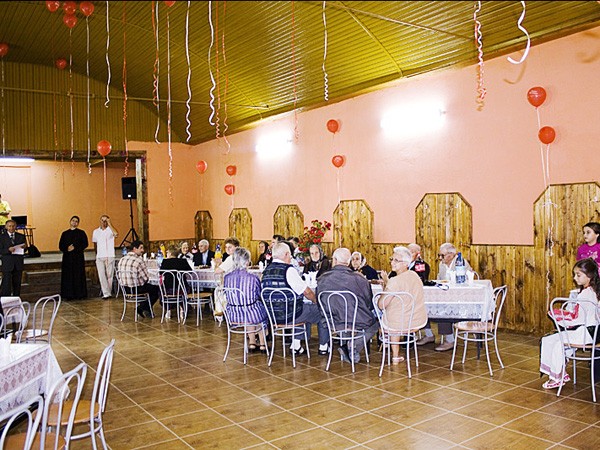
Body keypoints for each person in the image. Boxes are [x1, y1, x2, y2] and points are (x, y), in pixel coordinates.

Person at [540, 258, 600, 389]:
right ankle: (559, 372)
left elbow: (578, 320)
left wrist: (560, 318)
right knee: (549, 340)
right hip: (593, 331)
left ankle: (556, 377)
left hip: (587, 333)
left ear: (589, 276)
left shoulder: (585, 294)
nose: (575, 278)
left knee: (556, 342)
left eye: (578, 275)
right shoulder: (593, 290)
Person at [261, 242, 329, 355]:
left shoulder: (266, 271)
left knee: (301, 308)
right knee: (322, 310)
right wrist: (316, 301)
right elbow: (307, 292)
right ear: (286, 254)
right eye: (290, 255)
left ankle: (296, 345)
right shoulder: (288, 270)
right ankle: (323, 346)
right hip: (290, 315)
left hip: (272, 315)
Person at [317, 248, 379, 363]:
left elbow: (319, 301)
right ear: (349, 261)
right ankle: (352, 346)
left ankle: (349, 348)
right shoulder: (359, 279)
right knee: (375, 323)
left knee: (345, 318)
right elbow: (368, 303)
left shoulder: (322, 279)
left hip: (331, 320)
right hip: (354, 319)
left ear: (334, 260)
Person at [416, 242, 472, 351]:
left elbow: (465, 283)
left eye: (442, 255)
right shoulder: (442, 265)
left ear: (451, 255)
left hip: (460, 298)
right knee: (422, 304)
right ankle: (429, 334)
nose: (440, 258)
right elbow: (439, 280)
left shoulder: (461, 263)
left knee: (443, 308)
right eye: (439, 255)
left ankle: (450, 340)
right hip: (444, 294)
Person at [377, 246, 428, 364]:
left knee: (391, 317)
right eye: (392, 259)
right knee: (396, 313)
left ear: (406, 263)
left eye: (396, 260)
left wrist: (386, 285)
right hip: (416, 320)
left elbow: (381, 305)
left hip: (397, 324)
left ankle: (395, 355)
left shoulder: (395, 281)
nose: (392, 263)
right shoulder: (415, 276)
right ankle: (395, 356)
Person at [224, 247, 269, 352]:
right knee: (259, 310)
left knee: (250, 310)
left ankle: (252, 342)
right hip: (251, 312)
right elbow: (259, 294)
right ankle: (262, 344)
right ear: (247, 262)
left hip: (233, 314)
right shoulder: (253, 277)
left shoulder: (227, 277)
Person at [118, 240, 159, 319]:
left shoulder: (122, 259)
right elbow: (146, 278)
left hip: (125, 289)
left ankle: (146, 308)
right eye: (141, 248)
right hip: (136, 289)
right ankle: (142, 307)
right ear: (134, 249)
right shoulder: (139, 260)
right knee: (156, 289)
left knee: (148, 287)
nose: (143, 250)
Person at [59, 216, 89, 300]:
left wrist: (75, 248)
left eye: (76, 221)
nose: (74, 222)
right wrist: (67, 248)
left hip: (78, 258)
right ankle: (68, 295)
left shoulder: (81, 233)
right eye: (73, 220)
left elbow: (85, 244)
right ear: (70, 221)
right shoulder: (65, 233)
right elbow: (61, 245)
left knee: (78, 276)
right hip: (67, 259)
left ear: (78, 223)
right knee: (68, 276)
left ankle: (79, 294)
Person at [92, 214, 118, 300]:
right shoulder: (96, 231)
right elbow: (95, 243)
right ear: (100, 221)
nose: (104, 222)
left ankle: (108, 292)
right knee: (101, 275)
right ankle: (106, 293)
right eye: (102, 220)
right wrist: (96, 254)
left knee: (109, 275)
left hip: (109, 255)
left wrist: (109, 224)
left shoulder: (110, 230)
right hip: (100, 256)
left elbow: (116, 234)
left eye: (105, 220)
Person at [0, 219, 26, 300]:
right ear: (6, 227)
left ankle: (16, 300)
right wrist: (8, 250)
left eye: (13, 226)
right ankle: (6, 300)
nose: (11, 228)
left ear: (16, 226)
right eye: (9, 226)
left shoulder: (21, 236)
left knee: (17, 283)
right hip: (7, 263)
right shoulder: (1, 237)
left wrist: (24, 248)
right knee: (6, 283)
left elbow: (24, 250)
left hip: (18, 263)